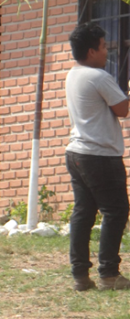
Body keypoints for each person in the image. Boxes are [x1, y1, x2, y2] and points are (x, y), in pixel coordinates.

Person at [65, 23, 130, 292]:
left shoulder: (73, 74)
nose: (106, 51)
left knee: (83, 213)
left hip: (77, 153)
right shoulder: (98, 77)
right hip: (100, 156)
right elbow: (123, 109)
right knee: (116, 212)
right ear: (91, 51)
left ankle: (80, 275)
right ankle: (109, 274)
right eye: (103, 46)